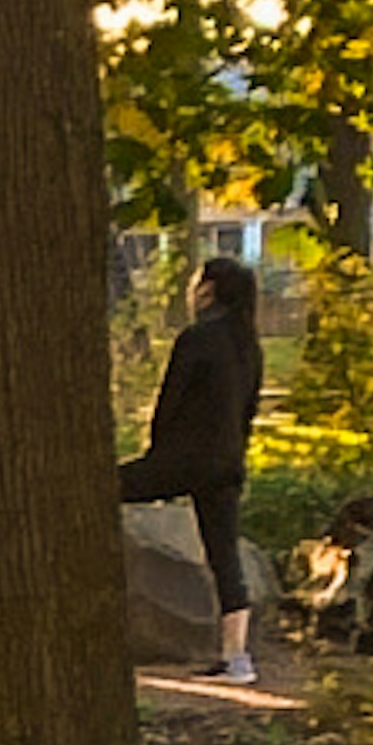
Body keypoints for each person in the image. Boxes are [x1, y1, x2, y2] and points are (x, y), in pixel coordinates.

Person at [121, 252, 267, 684]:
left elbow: (170, 403)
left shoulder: (197, 338)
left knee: (99, 489)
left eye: (197, 282)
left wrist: (157, 457)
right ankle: (237, 659)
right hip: (226, 462)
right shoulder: (249, 345)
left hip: (184, 458)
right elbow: (248, 411)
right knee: (225, 557)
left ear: (209, 289)